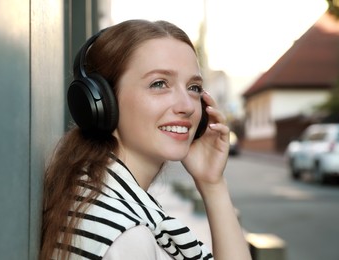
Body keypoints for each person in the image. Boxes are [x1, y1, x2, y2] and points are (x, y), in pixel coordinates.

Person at [40, 19, 251, 260]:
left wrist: (212, 184)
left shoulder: (95, 194)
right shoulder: (127, 239)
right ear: (102, 101)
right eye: (159, 84)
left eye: (193, 87)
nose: (187, 106)